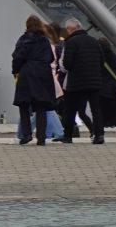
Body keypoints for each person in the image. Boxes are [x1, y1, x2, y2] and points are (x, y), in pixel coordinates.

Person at [11, 14, 59, 145]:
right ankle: (41, 138)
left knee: (24, 105)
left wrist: (15, 70)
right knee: (41, 106)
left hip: (27, 73)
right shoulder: (44, 40)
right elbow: (50, 58)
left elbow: (17, 57)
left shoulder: (24, 39)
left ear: (27, 25)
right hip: (43, 73)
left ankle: (26, 135)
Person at [59, 18, 105, 144]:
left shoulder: (70, 42)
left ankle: (68, 136)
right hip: (94, 81)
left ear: (69, 29)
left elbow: (67, 64)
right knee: (96, 110)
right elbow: (102, 61)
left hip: (76, 81)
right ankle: (99, 136)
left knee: (70, 108)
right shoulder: (94, 41)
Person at [93, 30, 116, 138]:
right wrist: (115, 78)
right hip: (114, 88)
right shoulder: (114, 57)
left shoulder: (97, 57)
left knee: (99, 110)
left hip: (100, 88)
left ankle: (99, 133)